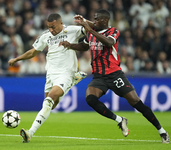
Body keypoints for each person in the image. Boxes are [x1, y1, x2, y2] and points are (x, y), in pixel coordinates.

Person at [59, 9, 170, 143]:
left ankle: (161, 131)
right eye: (93, 18)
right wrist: (70, 45)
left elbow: (109, 43)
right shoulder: (91, 34)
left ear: (104, 20)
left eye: (96, 19)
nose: (94, 21)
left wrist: (89, 28)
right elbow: (84, 46)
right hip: (99, 76)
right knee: (90, 99)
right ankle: (120, 120)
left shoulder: (113, 31)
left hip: (114, 74)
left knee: (136, 103)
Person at [8, 13, 87, 143]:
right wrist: (17, 59)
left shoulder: (72, 30)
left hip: (66, 72)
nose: (51, 30)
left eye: (53, 27)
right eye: (49, 27)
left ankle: (30, 133)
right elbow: (33, 52)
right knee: (51, 106)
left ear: (61, 23)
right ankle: (74, 80)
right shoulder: (46, 36)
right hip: (50, 74)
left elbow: (92, 28)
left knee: (49, 100)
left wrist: (84, 21)